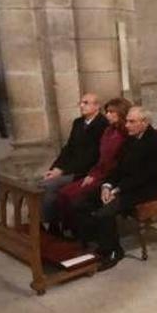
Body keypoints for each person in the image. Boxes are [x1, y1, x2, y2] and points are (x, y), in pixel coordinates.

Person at [78, 107, 157, 270]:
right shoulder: (130, 139)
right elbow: (117, 167)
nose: (126, 125)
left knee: (105, 213)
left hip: (144, 188)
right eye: (127, 121)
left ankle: (114, 251)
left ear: (145, 123)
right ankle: (100, 243)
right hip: (124, 185)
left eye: (131, 122)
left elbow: (147, 176)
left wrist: (117, 190)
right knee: (85, 200)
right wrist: (107, 185)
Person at [55, 97, 131, 234]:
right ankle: (72, 230)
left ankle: (84, 232)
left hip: (109, 175)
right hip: (98, 171)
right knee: (64, 193)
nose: (107, 115)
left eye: (111, 112)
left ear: (120, 113)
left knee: (75, 196)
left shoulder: (126, 134)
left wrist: (102, 179)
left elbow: (119, 163)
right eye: (107, 111)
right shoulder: (108, 131)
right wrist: (92, 174)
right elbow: (101, 158)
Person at [40, 93, 108, 225]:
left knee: (46, 186)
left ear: (97, 106)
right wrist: (56, 168)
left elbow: (92, 157)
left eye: (86, 103)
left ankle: (49, 224)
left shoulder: (103, 125)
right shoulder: (78, 123)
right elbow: (68, 148)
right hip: (69, 168)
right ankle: (54, 224)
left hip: (85, 171)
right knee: (44, 183)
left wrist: (63, 171)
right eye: (81, 103)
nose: (82, 106)